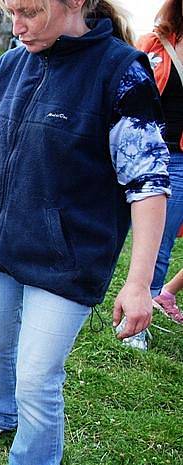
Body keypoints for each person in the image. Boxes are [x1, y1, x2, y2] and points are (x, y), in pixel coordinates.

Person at [0, 1, 168, 465]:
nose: (17, 25)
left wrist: (138, 284)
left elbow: (149, 183)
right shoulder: (14, 60)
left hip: (67, 260)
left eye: (31, 11)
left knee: (37, 376)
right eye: (11, 11)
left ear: (76, 4)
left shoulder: (123, 72)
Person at [132, 0, 183, 347]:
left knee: (160, 239)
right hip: (143, 150)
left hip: (179, 159)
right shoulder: (152, 42)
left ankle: (140, 316)